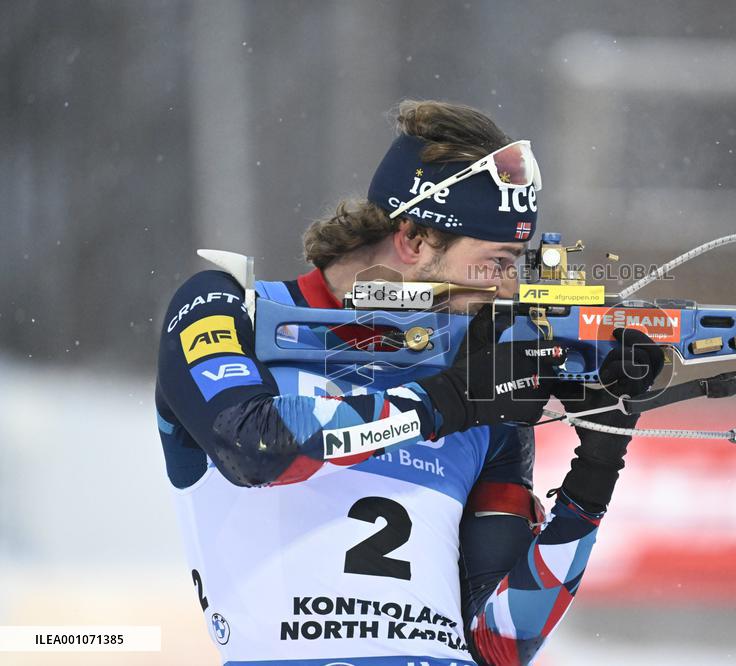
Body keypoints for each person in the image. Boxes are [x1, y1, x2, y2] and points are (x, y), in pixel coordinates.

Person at [154, 99, 663, 666]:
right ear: (414, 241)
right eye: (496, 262)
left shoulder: (475, 383)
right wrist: (441, 402)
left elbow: (501, 644)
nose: (506, 289)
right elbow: (253, 447)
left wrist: (597, 465)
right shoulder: (230, 307)